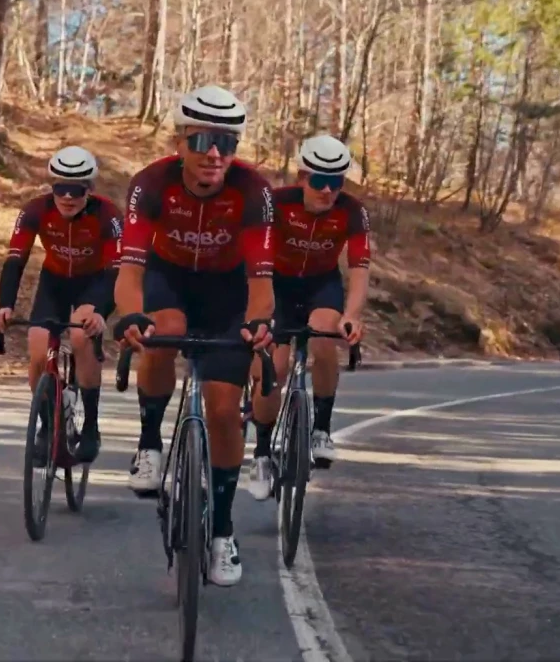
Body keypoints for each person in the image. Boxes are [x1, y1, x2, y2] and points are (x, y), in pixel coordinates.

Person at [112, 84, 275, 587]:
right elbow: (130, 272)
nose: (213, 153)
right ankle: (149, 443)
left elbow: (262, 283)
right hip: (169, 278)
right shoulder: (151, 184)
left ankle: (222, 531)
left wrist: (259, 324)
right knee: (164, 330)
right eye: (202, 139)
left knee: (225, 409)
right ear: (179, 140)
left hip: (229, 293)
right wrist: (131, 316)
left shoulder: (254, 192)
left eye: (227, 143)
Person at [246, 134, 370, 500]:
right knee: (275, 370)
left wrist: (352, 315)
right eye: (319, 181)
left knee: (326, 336)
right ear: (301, 177)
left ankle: (321, 429)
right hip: (277, 285)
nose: (328, 190)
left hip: (321, 285)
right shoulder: (276, 203)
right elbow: (257, 260)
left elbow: (360, 268)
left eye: (337, 182)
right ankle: (263, 454)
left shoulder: (352, 210)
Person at [0, 145, 122, 465]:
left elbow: (116, 270)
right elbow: (15, 259)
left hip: (95, 283)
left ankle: (90, 426)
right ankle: (48, 425)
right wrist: (5, 305)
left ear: (89, 190)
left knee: (80, 335)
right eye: (60, 189)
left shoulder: (108, 215)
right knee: (38, 347)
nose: (67, 197)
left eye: (76, 190)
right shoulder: (35, 210)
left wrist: (99, 309)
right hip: (54, 283)